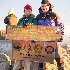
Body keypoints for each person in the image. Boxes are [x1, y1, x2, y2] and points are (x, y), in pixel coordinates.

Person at [36, 0, 64, 70]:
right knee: (41, 55)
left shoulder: (54, 15)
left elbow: (60, 25)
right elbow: (35, 27)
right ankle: (40, 68)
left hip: (53, 39)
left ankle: (60, 68)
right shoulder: (38, 16)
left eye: (45, 6)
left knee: (57, 55)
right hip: (42, 39)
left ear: (48, 6)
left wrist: (61, 35)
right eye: (42, 6)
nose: (43, 7)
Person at [17, 4, 38, 70]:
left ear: (31, 11)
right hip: (20, 41)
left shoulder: (34, 19)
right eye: (26, 10)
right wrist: (22, 25)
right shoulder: (21, 19)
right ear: (24, 11)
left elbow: (36, 28)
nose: (28, 12)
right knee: (17, 58)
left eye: (29, 10)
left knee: (27, 59)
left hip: (29, 42)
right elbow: (17, 27)